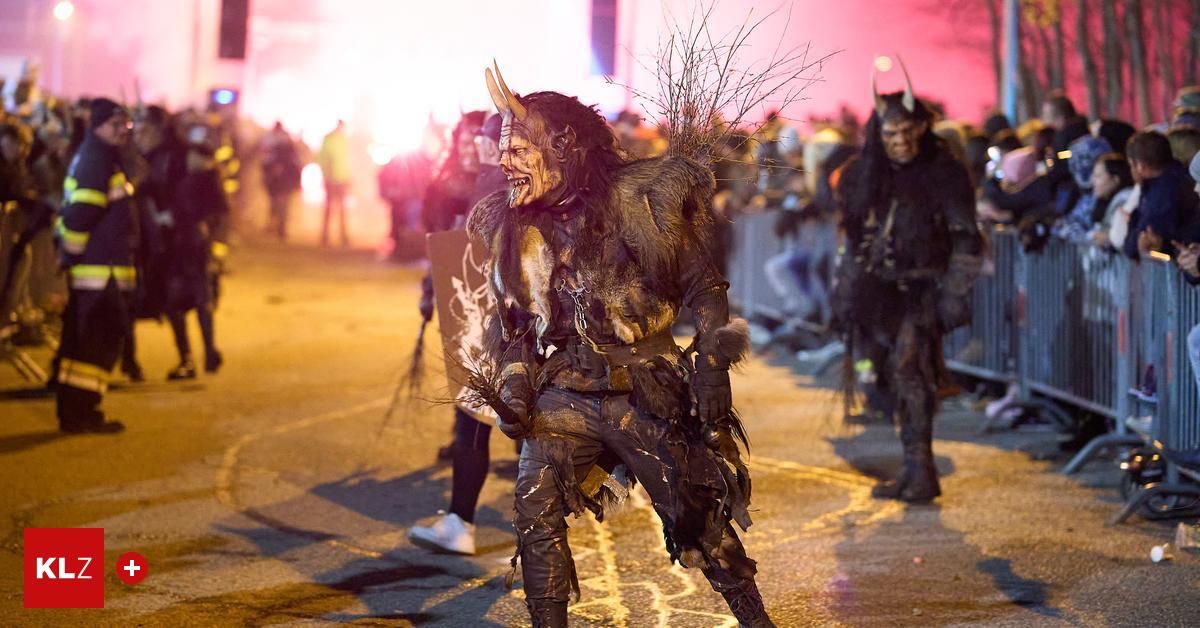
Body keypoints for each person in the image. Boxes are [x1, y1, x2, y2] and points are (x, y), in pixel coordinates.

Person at [464, 64, 770, 628]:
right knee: (534, 501)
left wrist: (712, 368)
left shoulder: (640, 202)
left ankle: (757, 622)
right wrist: (513, 383)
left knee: (697, 516)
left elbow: (704, 287)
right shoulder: (514, 226)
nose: (503, 161)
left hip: (644, 389)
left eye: (518, 149)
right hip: (569, 393)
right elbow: (514, 327)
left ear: (563, 145)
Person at [833, 64, 984, 502]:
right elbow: (854, 237)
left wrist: (954, 295)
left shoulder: (944, 171)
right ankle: (913, 467)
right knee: (888, 379)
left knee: (911, 372)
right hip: (875, 291)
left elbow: (966, 237)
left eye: (906, 133)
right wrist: (844, 292)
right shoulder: (865, 174)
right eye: (891, 135)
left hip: (923, 290)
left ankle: (922, 471)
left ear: (921, 127)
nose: (900, 143)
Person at [407, 113, 509, 556]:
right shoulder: (536, 185)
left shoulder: (494, 185)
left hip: (497, 327)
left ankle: (461, 523)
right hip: (520, 329)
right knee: (526, 435)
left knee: (475, 421)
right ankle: (535, 544)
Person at [53, 98, 136, 434]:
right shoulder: (97, 159)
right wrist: (70, 253)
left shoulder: (99, 156)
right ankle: (81, 413)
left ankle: (78, 411)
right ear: (98, 125)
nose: (122, 132)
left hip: (100, 271)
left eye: (126, 126)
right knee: (96, 344)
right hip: (100, 273)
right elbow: (82, 213)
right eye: (116, 125)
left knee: (85, 344)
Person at [163, 128, 229, 379]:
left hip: (196, 252)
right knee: (187, 305)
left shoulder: (208, 181)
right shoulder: (191, 180)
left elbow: (218, 218)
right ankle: (199, 355)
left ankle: (196, 356)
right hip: (184, 251)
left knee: (193, 304)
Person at [1122, 131, 1200, 259]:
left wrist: (1131, 221)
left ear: (1140, 166)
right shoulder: (1179, 177)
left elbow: (1137, 244)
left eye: (1131, 165)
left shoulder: (1160, 196)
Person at [260, 122, 301, 241]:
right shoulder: (290, 152)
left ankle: (276, 227)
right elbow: (297, 167)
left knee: (277, 205)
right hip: (283, 184)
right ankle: (279, 228)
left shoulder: (274, 151)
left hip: (279, 184)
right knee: (282, 206)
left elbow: (265, 164)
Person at [316, 120, 350, 247]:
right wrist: (326, 174)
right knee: (332, 209)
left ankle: (341, 236)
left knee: (339, 209)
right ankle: (327, 236)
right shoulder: (332, 139)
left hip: (340, 179)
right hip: (333, 179)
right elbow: (322, 158)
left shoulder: (344, 140)